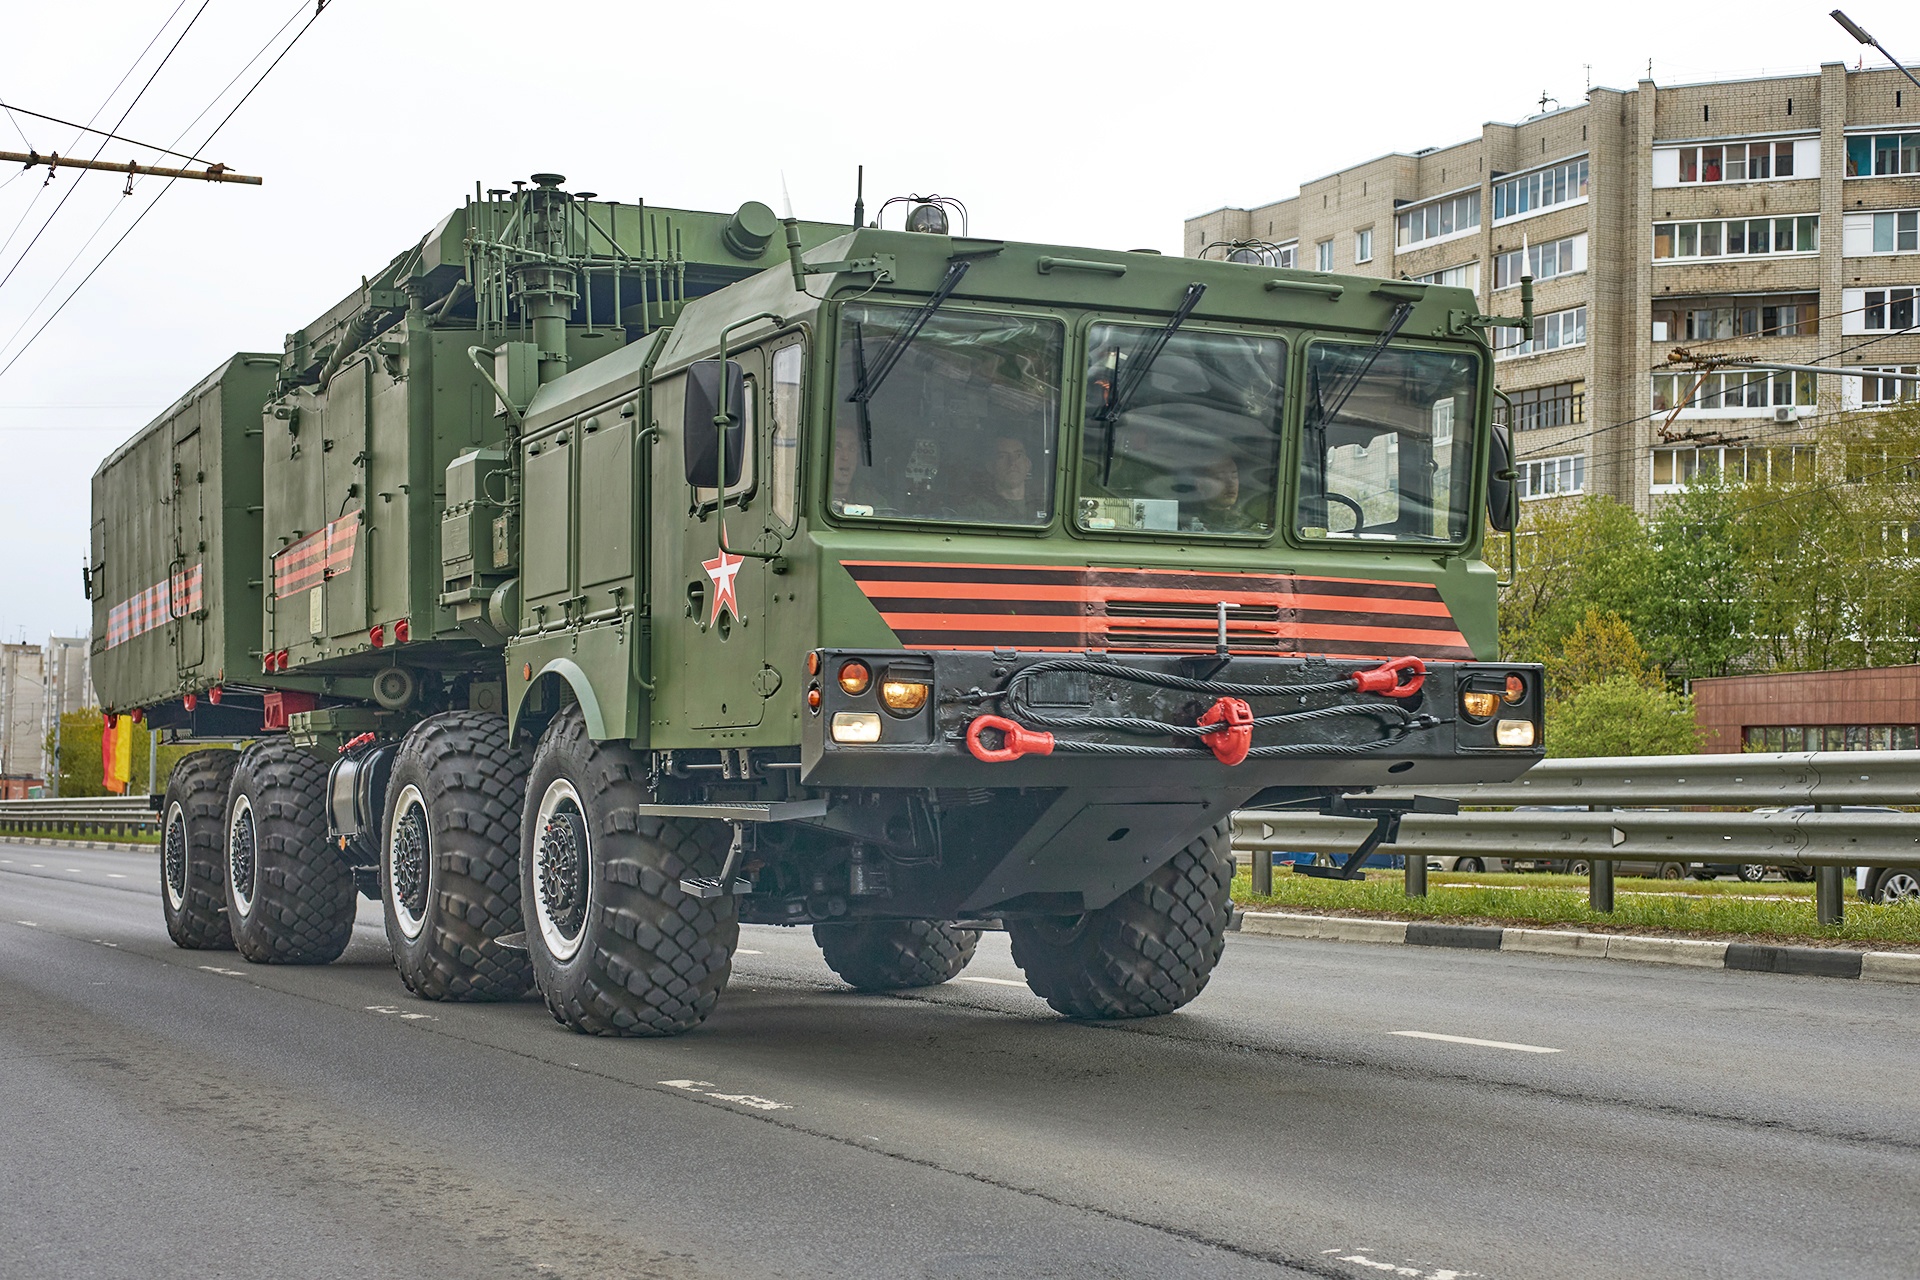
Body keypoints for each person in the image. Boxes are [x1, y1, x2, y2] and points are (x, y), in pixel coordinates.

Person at [965, 435, 1038, 523]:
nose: (1012, 462)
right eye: (1002, 456)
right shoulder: (976, 511)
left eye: (1018, 455)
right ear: (990, 466)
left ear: (1028, 464)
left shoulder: (1044, 505)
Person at [1188, 454, 1263, 532]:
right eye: (1220, 478)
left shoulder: (1252, 526)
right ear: (1200, 485)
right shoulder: (1187, 525)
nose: (1231, 483)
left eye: (1234, 476)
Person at [829, 421, 887, 514]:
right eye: (837, 447)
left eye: (852, 449)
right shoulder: (812, 496)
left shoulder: (869, 496)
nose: (845, 456)